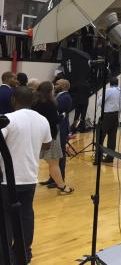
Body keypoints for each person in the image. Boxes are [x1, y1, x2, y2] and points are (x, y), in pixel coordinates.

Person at [0, 86, 52, 264]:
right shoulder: (42, 120)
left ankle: (5, 255)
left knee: (5, 216)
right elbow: (47, 145)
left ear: (13, 99)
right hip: (30, 176)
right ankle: (24, 252)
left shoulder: (8, 119)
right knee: (26, 214)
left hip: (8, 178)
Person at [33, 81, 74, 194]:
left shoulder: (35, 101)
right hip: (51, 135)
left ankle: (58, 183)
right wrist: (61, 116)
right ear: (49, 91)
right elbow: (53, 120)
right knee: (54, 163)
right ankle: (62, 187)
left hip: (40, 134)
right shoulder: (48, 103)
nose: (55, 87)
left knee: (52, 162)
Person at [96, 77, 121, 164]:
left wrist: (100, 98)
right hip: (116, 116)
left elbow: (99, 103)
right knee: (112, 138)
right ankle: (110, 157)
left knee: (100, 136)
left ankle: (98, 158)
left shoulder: (108, 90)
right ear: (117, 83)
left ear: (109, 83)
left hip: (107, 115)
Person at [55, 78, 73, 182]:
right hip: (58, 127)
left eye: (57, 84)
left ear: (64, 86)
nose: (55, 85)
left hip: (61, 128)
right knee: (55, 154)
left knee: (60, 153)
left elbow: (57, 111)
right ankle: (53, 177)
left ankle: (60, 178)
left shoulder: (65, 97)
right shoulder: (60, 96)